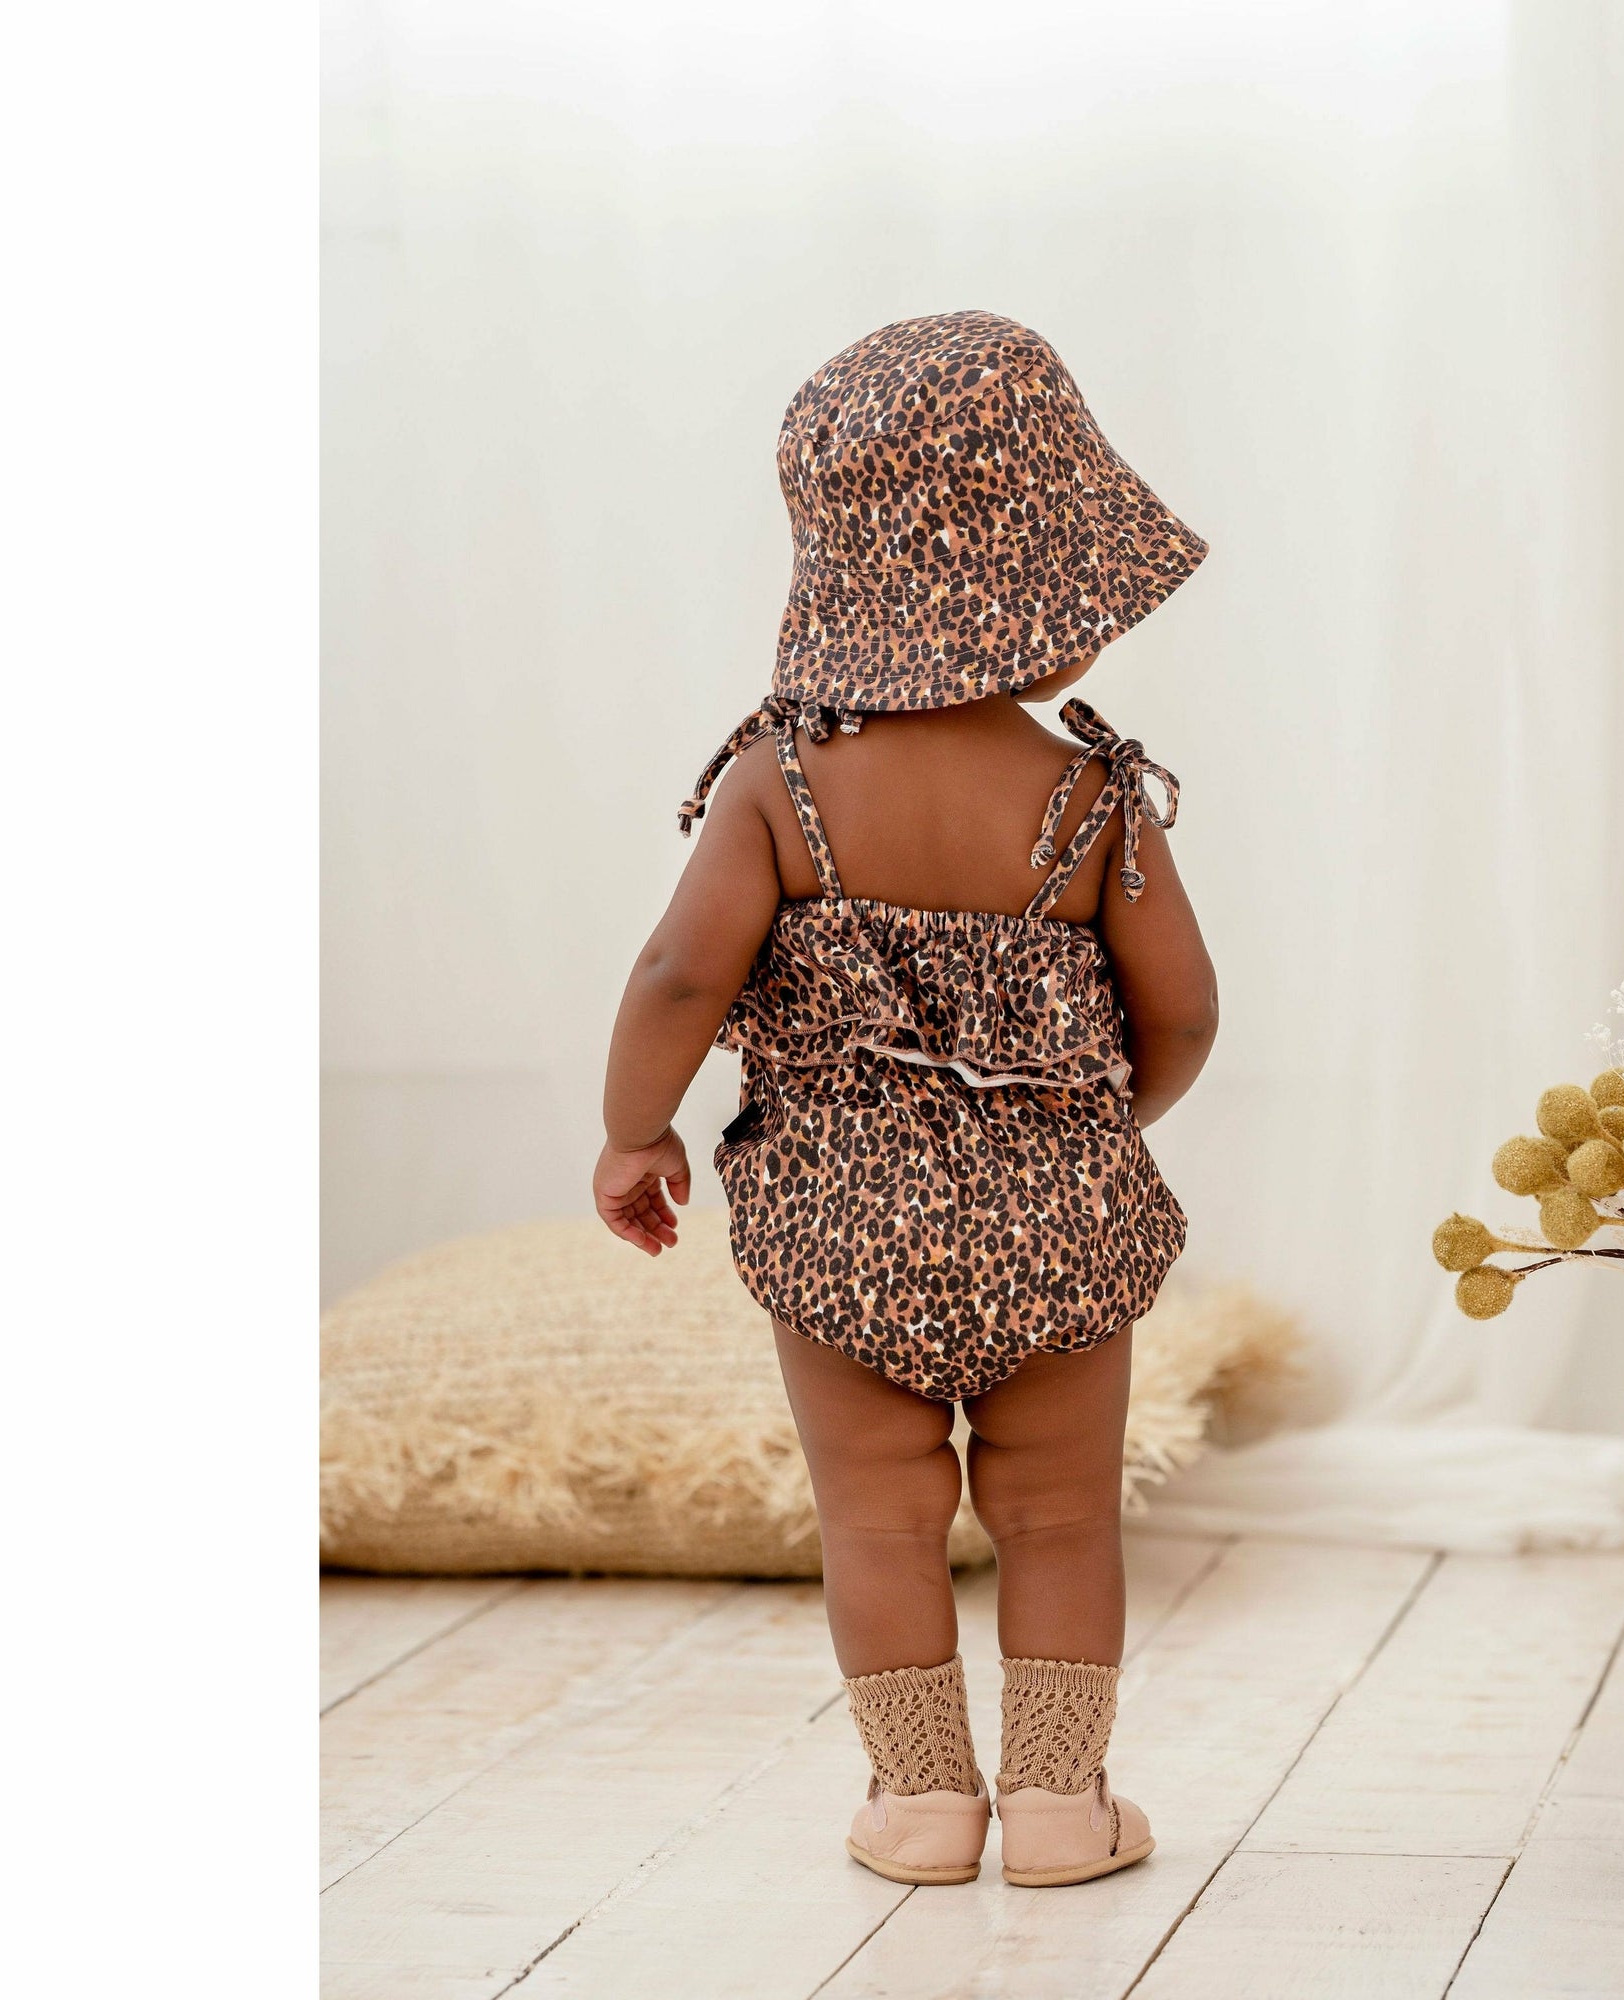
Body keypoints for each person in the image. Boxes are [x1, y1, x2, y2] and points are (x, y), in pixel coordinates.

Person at [596, 311, 1216, 1888]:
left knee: (876, 1512)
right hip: (1054, 1217)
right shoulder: (1090, 793)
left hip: (839, 1215)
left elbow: (677, 975)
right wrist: (1093, 1125)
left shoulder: (780, 784)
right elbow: (1186, 1010)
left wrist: (634, 1130)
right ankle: (1063, 1805)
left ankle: (923, 1802)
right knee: (1062, 1514)